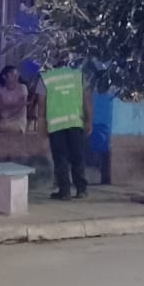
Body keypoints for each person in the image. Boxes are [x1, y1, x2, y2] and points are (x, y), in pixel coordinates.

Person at [36, 62, 94, 200]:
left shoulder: (45, 78)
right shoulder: (79, 75)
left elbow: (41, 104)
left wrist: (42, 125)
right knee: (78, 156)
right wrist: (89, 121)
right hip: (76, 122)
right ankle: (81, 189)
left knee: (60, 158)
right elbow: (87, 99)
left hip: (56, 125)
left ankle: (65, 191)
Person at [0, 66, 30, 133]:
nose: (16, 77)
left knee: (4, 127)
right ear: (4, 77)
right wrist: (16, 105)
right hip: (3, 119)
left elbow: (21, 107)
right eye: (13, 75)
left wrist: (6, 107)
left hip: (18, 120)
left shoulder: (22, 88)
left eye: (17, 74)